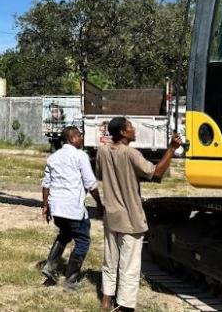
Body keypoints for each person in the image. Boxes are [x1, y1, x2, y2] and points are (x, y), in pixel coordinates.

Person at [96, 117, 182, 311]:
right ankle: (125, 305)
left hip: (111, 215)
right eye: (131, 127)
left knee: (110, 259)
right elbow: (156, 173)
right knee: (129, 265)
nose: (134, 130)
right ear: (123, 133)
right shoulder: (131, 153)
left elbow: (103, 175)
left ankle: (106, 299)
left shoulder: (102, 151)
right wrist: (171, 149)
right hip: (130, 218)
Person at [40, 125, 103, 289]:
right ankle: (71, 280)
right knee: (83, 241)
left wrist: (45, 206)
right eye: (79, 136)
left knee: (64, 234)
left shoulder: (53, 158)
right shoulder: (80, 156)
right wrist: (100, 203)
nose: (81, 138)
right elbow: (90, 183)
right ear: (71, 138)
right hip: (73, 209)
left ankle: (50, 267)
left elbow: (46, 185)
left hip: (57, 209)